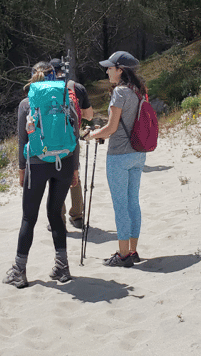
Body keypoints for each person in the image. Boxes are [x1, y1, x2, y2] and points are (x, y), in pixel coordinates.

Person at [3, 62, 81, 288]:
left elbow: (22, 140)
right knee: (55, 213)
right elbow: (74, 134)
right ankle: (62, 267)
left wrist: (21, 169)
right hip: (64, 162)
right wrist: (74, 168)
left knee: (29, 217)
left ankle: (19, 270)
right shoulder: (66, 100)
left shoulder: (27, 103)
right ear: (54, 77)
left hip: (36, 164)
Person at [89, 51, 147, 267]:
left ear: (120, 70)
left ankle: (122, 255)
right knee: (133, 202)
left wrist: (93, 134)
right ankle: (132, 251)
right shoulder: (138, 90)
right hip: (138, 153)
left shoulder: (120, 92)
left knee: (120, 205)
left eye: (110, 68)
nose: (107, 71)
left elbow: (111, 128)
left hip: (119, 155)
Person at [49, 58, 94, 230]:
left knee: (54, 178)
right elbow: (89, 115)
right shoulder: (77, 88)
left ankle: (58, 219)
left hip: (51, 141)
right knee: (73, 174)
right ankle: (77, 216)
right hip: (72, 139)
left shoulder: (45, 89)